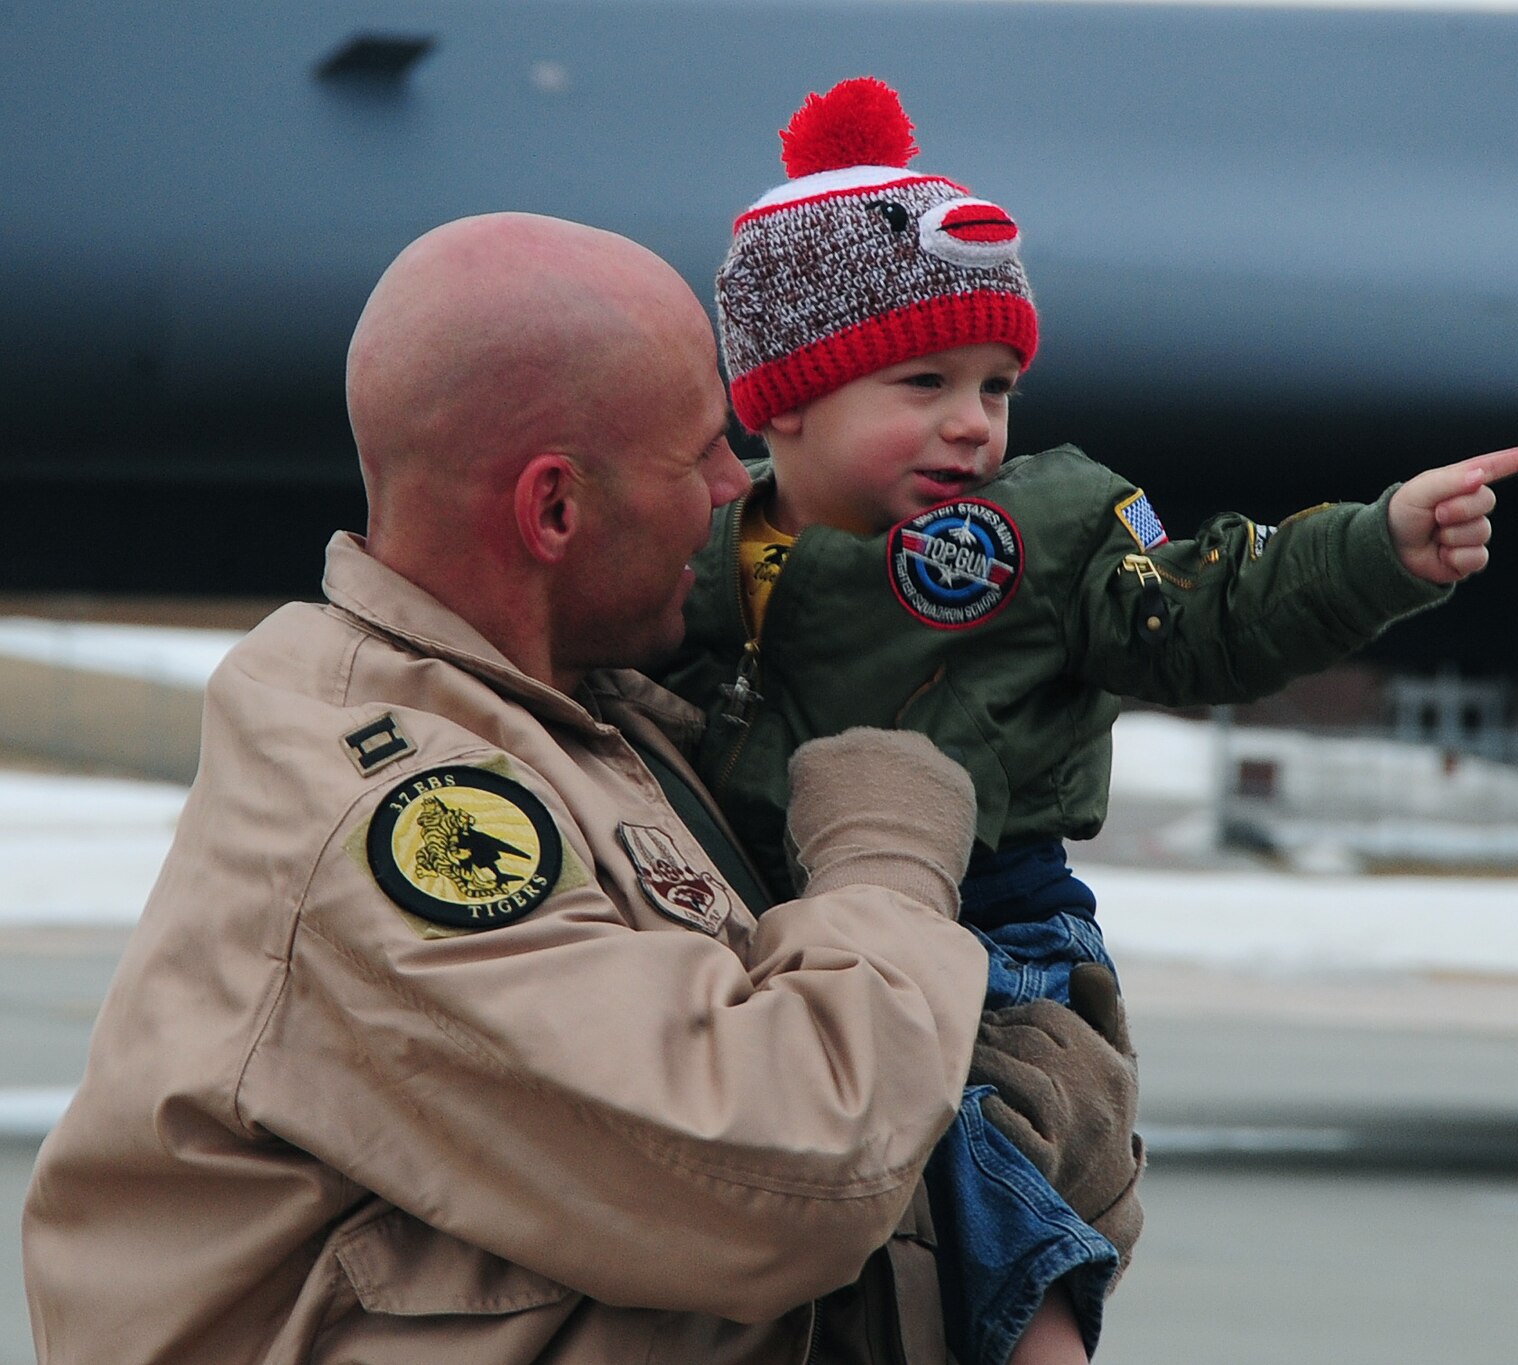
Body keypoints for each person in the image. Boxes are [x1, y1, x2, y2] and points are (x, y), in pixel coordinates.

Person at [18, 210, 1124, 1365]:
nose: (727, 489)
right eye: (697, 452)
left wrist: (1011, 1123)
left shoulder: (601, 725)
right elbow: (790, 1176)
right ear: (554, 510)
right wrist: (888, 851)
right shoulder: (403, 807)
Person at [662, 78, 1518, 1365]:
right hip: (749, 910)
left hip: (986, 921)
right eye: (925, 380)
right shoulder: (694, 546)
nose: (974, 422)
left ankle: (1046, 1343)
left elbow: (1207, 611)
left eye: (998, 384)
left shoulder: (1043, 535)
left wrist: (1377, 549)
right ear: (785, 397)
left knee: (970, 1139)